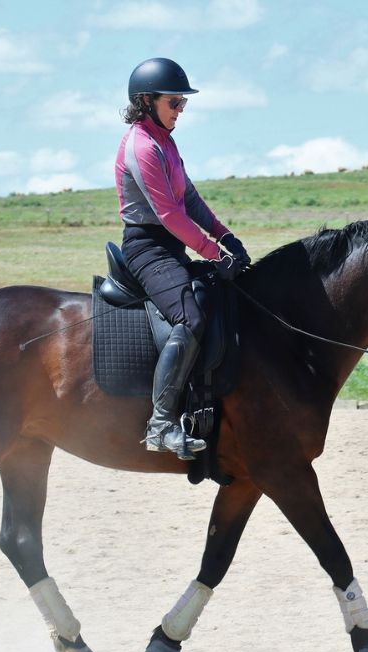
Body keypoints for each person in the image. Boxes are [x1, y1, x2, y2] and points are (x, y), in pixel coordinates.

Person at [115, 57, 251, 460]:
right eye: (174, 102)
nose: (180, 110)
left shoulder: (165, 141)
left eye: (183, 103)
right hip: (147, 247)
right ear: (145, 101)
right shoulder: (141, 145)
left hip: (170, 246)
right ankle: (160, 425)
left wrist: (226, 236)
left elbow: (189, 198)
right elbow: (169, 215)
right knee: (189, 317)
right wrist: (212, 253)